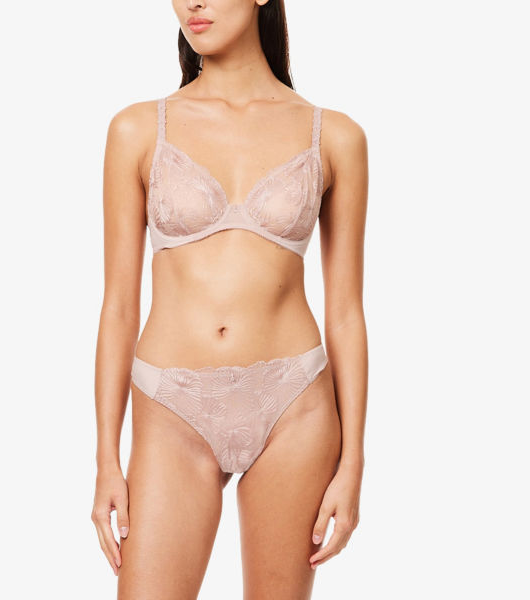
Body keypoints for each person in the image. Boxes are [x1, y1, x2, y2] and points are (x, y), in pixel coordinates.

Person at [92, 1, 369, 597]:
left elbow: (346, 312)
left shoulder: (335, 136)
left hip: (294, 405)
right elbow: (117, 306)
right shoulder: (137, 129)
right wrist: (106, 459)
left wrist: (353, 465)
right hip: (171, 408)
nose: (193, 1)